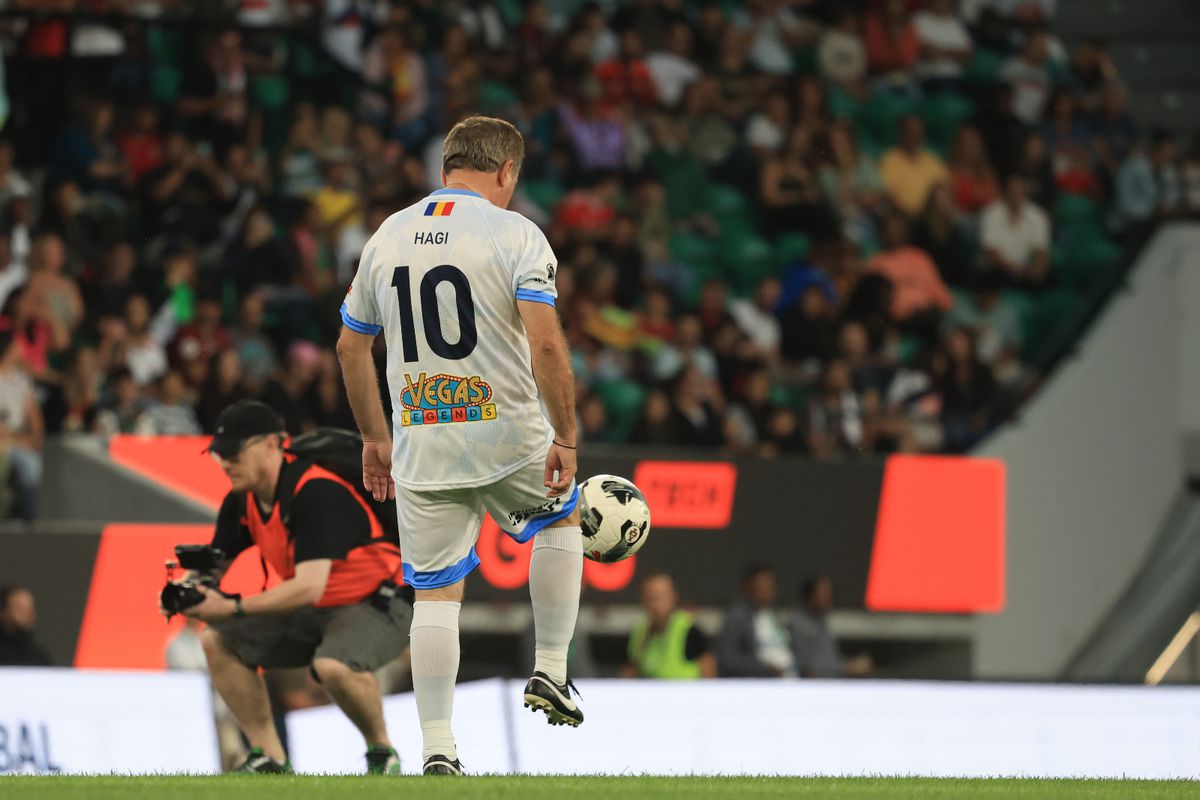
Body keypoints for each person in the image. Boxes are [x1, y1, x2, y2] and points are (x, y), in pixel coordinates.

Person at [338, 116, 583, 776]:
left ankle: (438, 746)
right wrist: (566, 433)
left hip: (421, 440)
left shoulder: (388, 235)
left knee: (437, 596)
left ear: (446, 167)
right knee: (563, 519)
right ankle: (553, 670)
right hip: (507, 434)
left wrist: (372, 439)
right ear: (506, 173)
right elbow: (548, 344)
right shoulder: (515, 233)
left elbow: (350, 345)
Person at [177, 400, 411, 775]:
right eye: (220, 454)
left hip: (379, 603)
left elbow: (308, 588)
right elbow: (213, 566)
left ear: (273, 444)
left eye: (234, 452)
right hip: (316, 611)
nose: (225, 463)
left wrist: (233, 608)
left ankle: (382, 751)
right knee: (215, 640)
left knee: (333, 665)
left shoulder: (315, 490)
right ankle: (270, 756)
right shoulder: (241, 500)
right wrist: (185, 591)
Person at [622, 572, 715, 680]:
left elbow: (708, 670)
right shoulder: (639, 632)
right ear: (643, 601)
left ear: (673, 597)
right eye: (650, 598)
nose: (655, 604)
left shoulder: (688, 629)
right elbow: (629, 671)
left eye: (660, 597)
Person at [717, 564, 796, 678]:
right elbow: (728, 659)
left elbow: (790, 650)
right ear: (748, 587)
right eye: (763, 584)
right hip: (758, 683)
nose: (769, 589)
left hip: (791, 679)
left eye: (771, 584)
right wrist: (765, 669)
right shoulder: (737, 616)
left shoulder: (776, 614)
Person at [790, 576, 872, 678]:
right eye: (824, 593)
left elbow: (829, 659)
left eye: (829, 593)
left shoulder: (821, 622)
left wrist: (851, 663)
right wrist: (847, 668)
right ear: (811, 596)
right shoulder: (800, 625)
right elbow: (807, 669)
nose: (829, 597)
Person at [0, 584, 52, 666]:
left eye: (30, 609)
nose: (28, 614)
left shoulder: (39, 657)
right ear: (3, 612)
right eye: (20, 609)